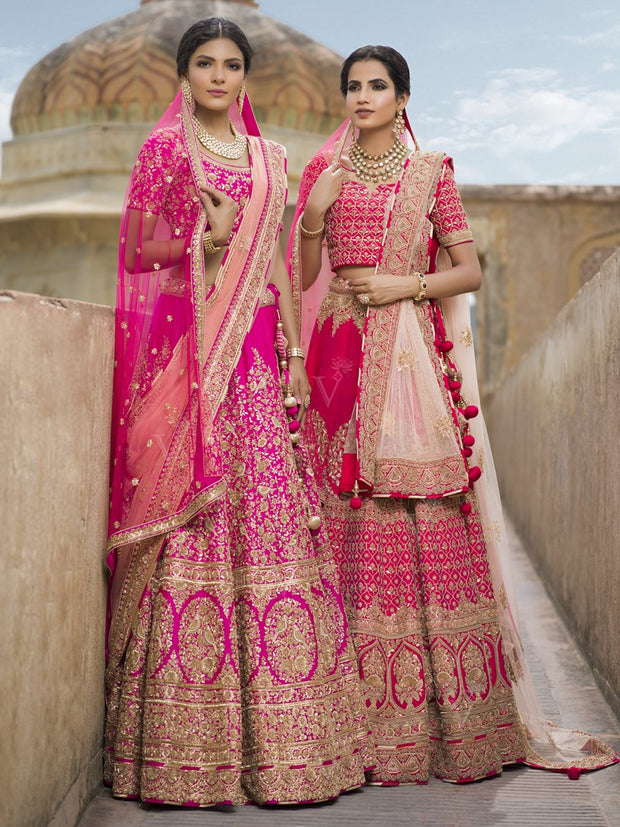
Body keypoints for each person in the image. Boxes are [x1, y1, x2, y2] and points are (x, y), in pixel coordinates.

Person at [288, 45, 617, 785]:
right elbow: (301, 277)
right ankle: (352, 721)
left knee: (423, 506)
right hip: (340, 354)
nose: (363, 96)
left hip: (406, 353)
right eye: (353, 86)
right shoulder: (323, 174)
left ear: (403, 98)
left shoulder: (430, 171)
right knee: (343, 509)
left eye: (377, 86)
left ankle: (448, 722)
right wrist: (311, 218)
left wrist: (406, 283)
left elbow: (468, 269)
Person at [104, 19, 371, 808]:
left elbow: (285, 266)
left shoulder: (272, 160)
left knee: (273, 521)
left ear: (246, 76)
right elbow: (137, 250)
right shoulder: (166, 152)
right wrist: (205, 239)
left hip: (257, 358)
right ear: (183, 76)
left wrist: (293, 351)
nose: (218, 76)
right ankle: (191, 742)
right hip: (195, 357)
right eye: (203, 64)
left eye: (230, 65)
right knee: (195, 518)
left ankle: (290, 744)